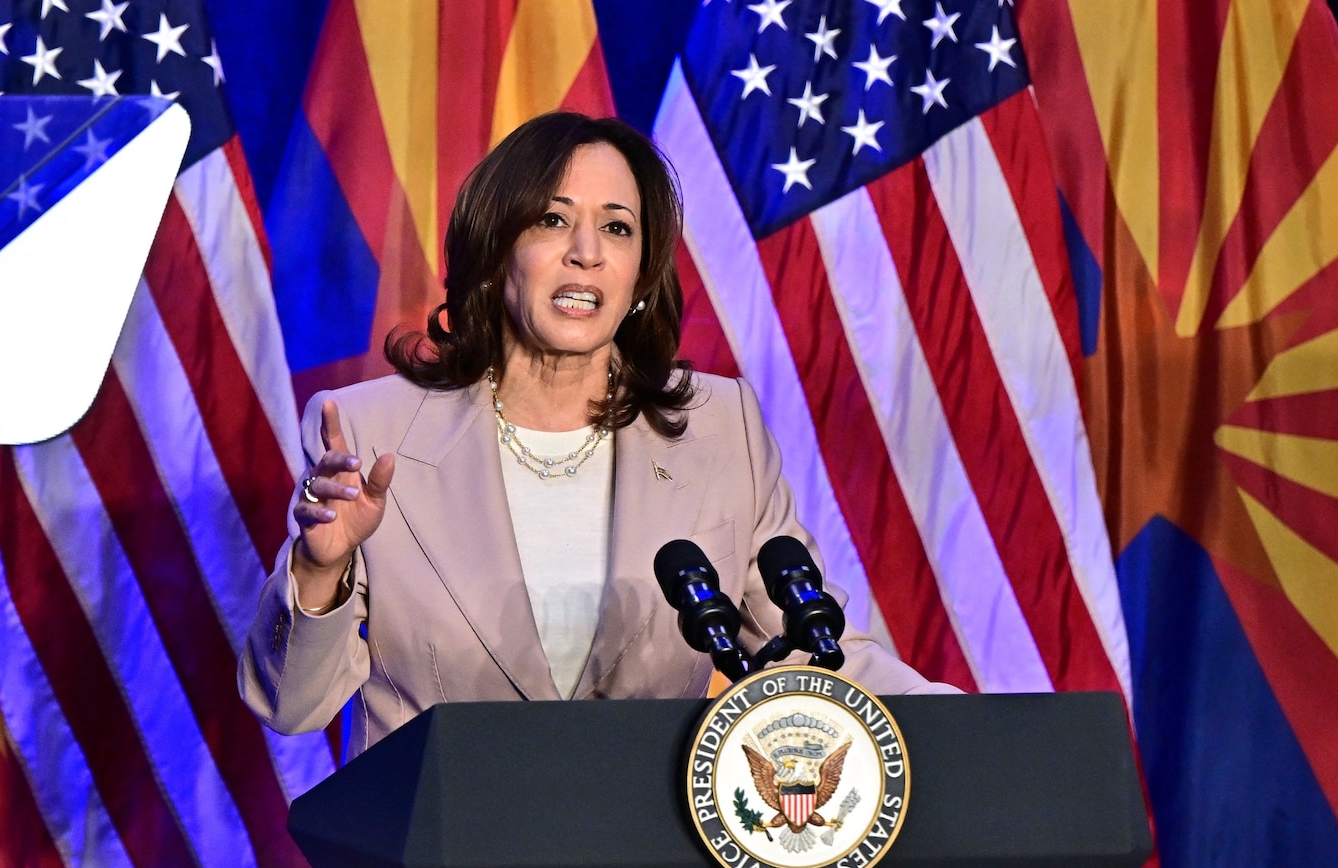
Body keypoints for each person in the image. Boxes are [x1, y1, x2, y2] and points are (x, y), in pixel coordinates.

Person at [238, 111, 955, 763]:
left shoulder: (720, 428)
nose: (587, 252)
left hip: (640, 845)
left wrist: (972, 727)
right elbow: (293, 707)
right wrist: (320, 572)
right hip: (434, 847)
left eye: (617, 228)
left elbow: (811, 651)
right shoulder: (369, 431)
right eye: (552, 220)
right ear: (495, 252)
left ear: (640, 274)